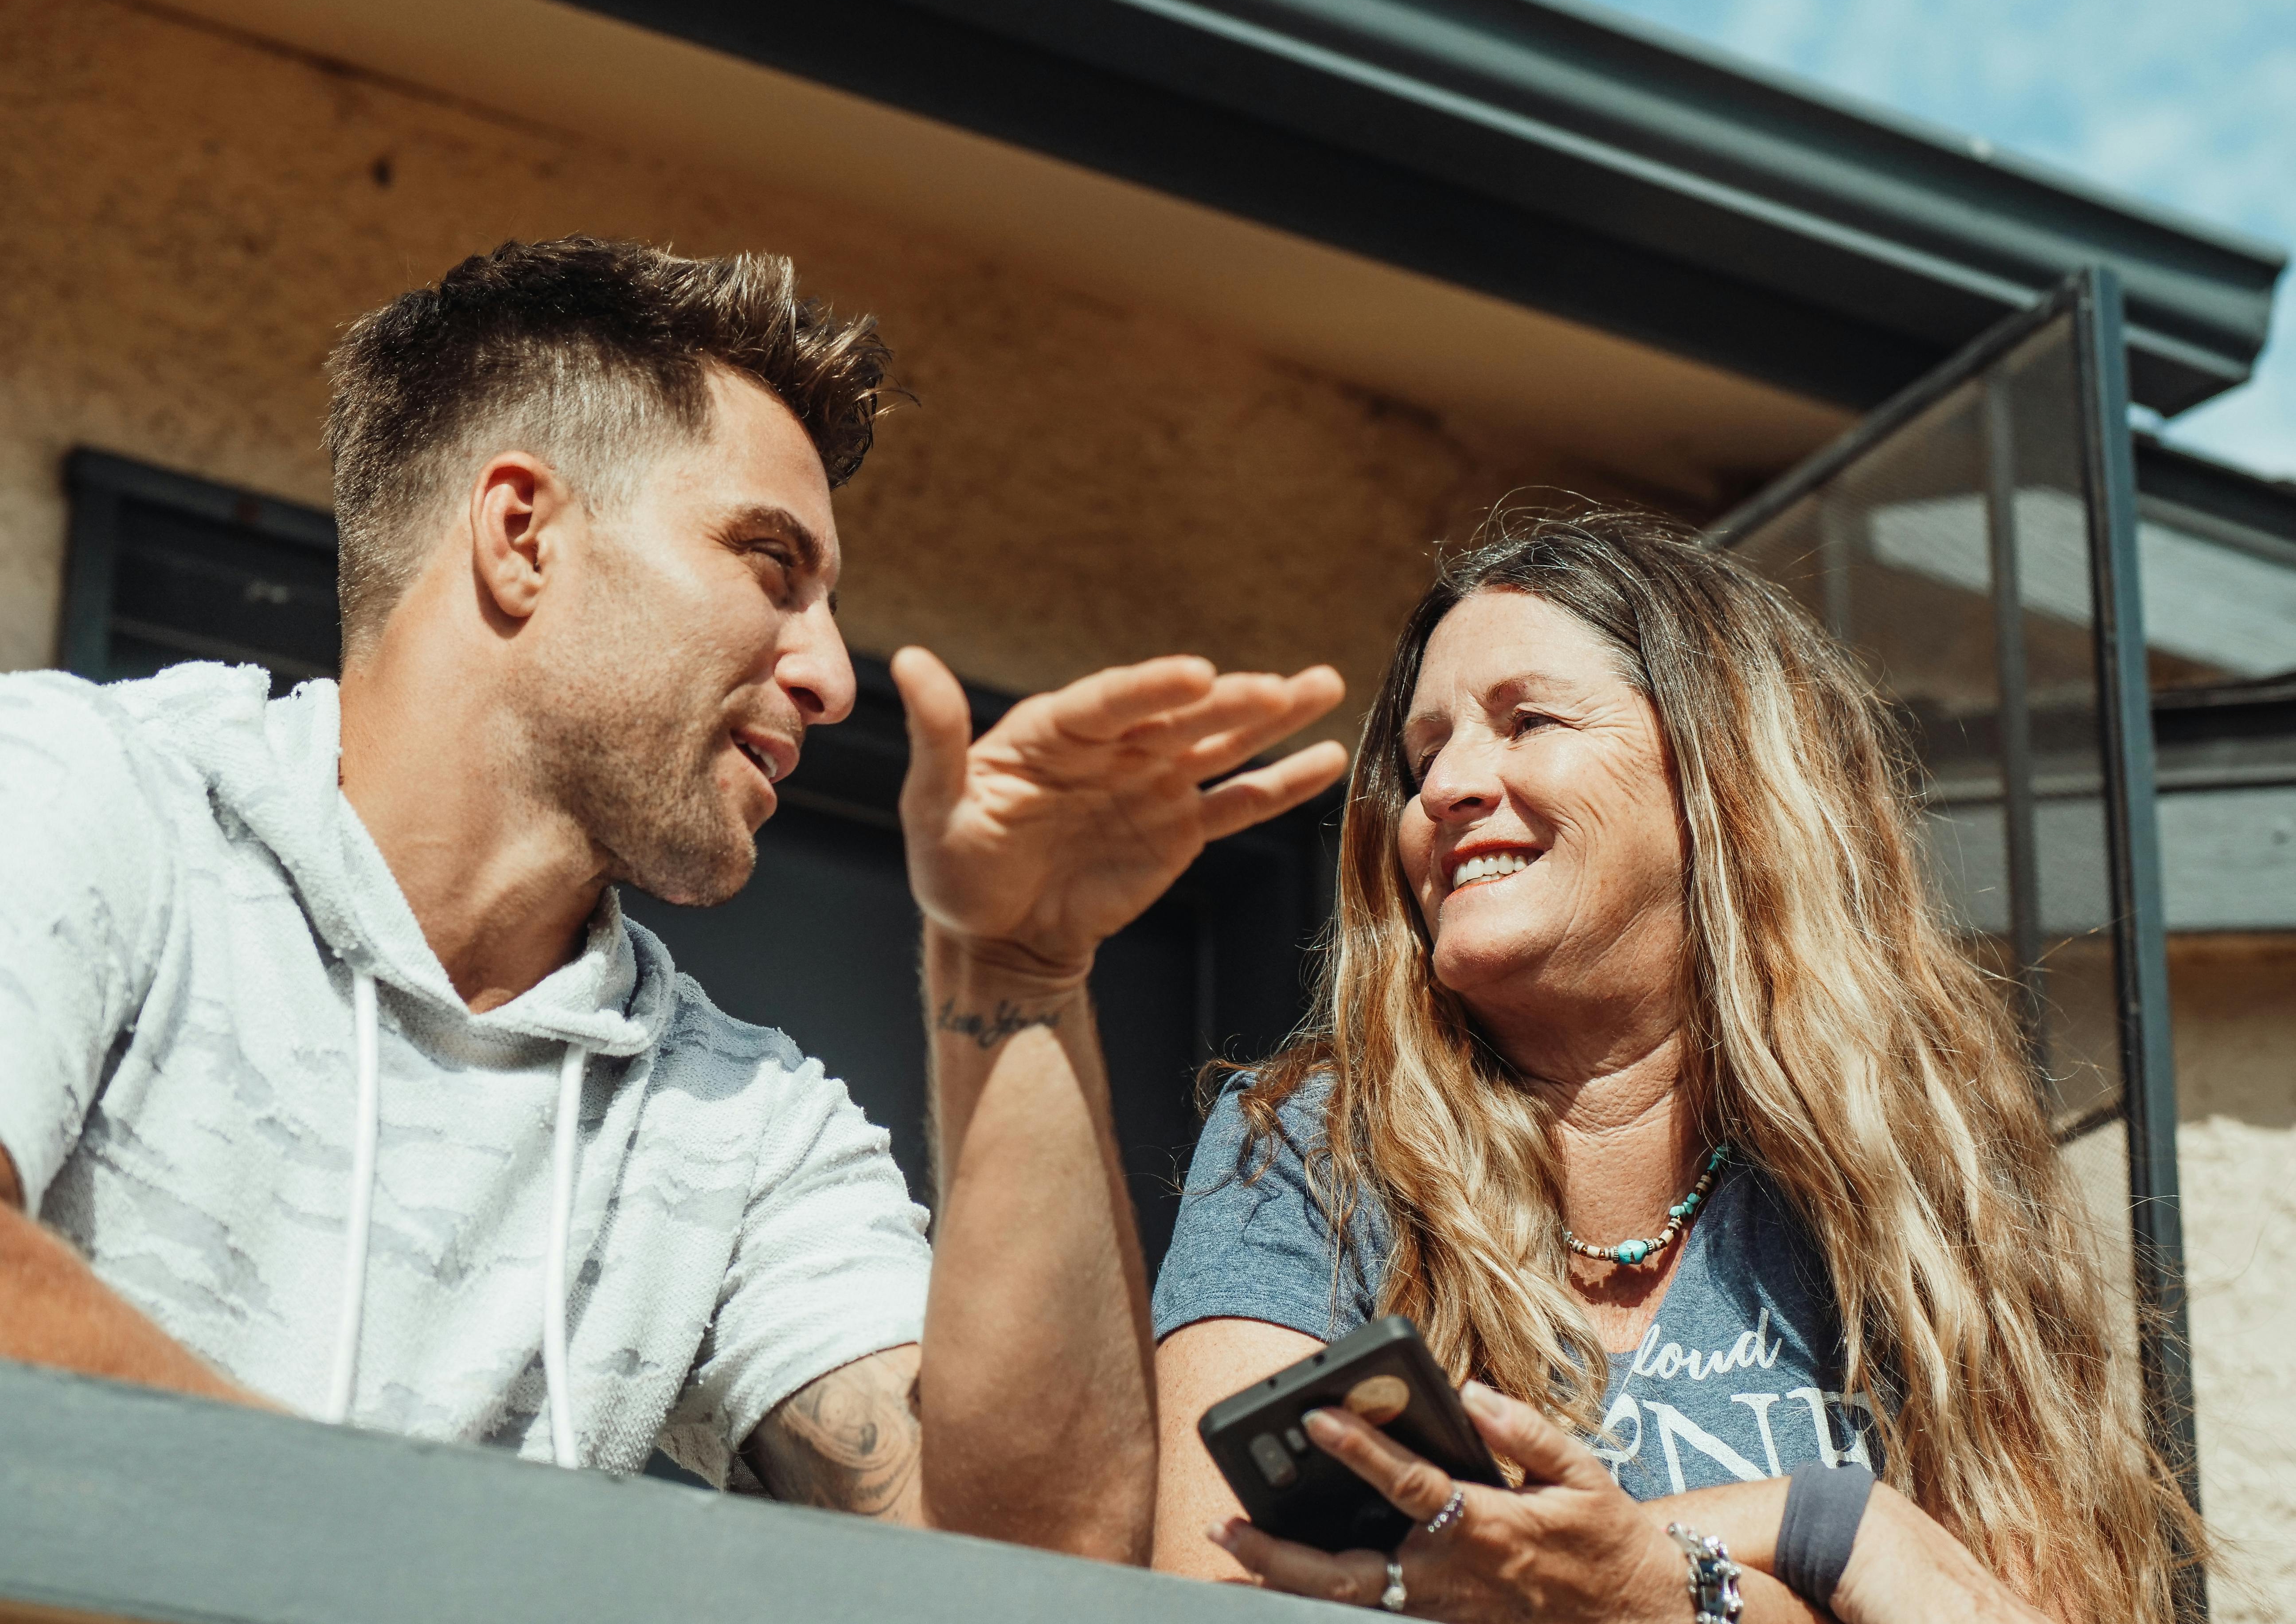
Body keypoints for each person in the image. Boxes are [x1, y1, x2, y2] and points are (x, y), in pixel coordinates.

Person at [0, 236, 1348, 1560]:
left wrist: (1019, 965)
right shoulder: (80, 789)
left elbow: (1030, 1552)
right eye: (772, 567)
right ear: (523, 535)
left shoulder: (740, 1118)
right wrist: (397, 1569)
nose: (827, 673)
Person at [1149, 513, 2198, 1620]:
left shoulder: (1915, 1173)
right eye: (1422, 757)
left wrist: (1665, 1571)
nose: (1448, 785)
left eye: (1527, 720)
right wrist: (1827, 1535)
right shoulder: (1313, 1147)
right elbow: (1218, 1593)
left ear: (1721, 777)